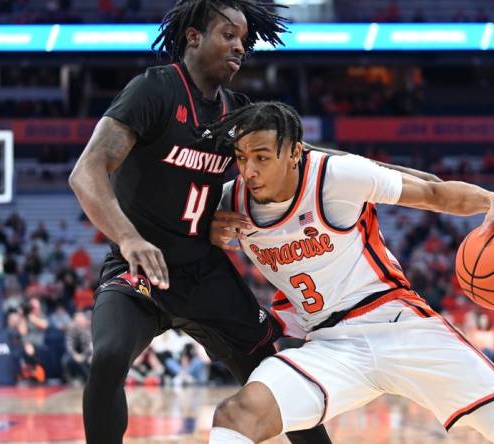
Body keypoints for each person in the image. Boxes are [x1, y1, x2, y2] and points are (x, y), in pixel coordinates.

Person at [69, 1, 432, 442]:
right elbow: (86, 170)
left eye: (244, 40)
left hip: (203, 272)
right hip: (140, 269)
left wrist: (412, 180)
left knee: (277, 376)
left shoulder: (235, 114)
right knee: (107, 356)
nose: (240, 47)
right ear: (193, 37)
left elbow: (315, 157)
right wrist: (129, 239)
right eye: (228, 35)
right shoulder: (154, 90)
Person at [205, 102, 494, 444]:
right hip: (330, 345)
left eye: (261, 157)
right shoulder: (228, 201)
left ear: (294, 154)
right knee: (237, 415)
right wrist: (205, 227)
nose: (249, 170)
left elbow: (432, 193)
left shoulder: (338, 177)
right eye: (241, 157)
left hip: (398, 324)